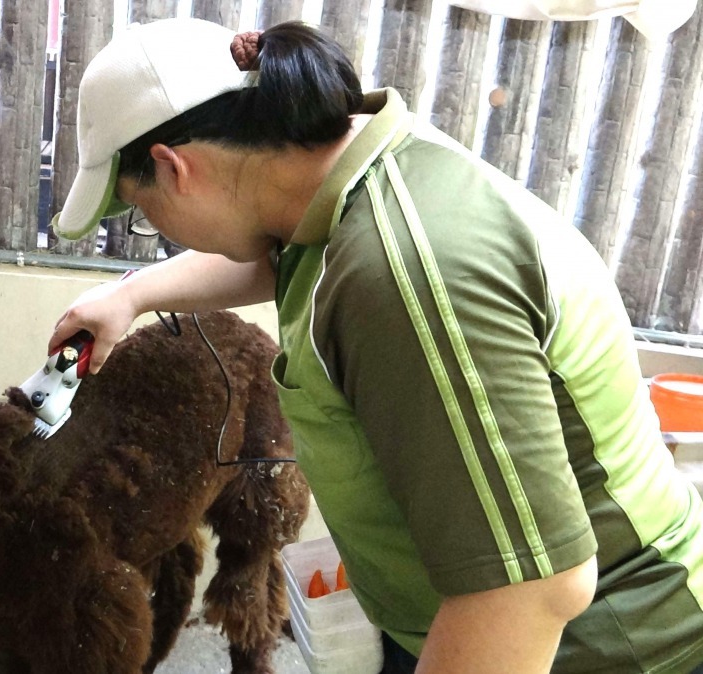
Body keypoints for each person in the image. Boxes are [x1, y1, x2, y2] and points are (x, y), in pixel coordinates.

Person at [46, 16, 703, 674]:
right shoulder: (347, 177)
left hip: (594, 646)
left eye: (143, 211)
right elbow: (280, 255)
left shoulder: (406, 277)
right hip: (451, 613)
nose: (155, 228)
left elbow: (528, 590)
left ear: (174, 168)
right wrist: (130, 295)